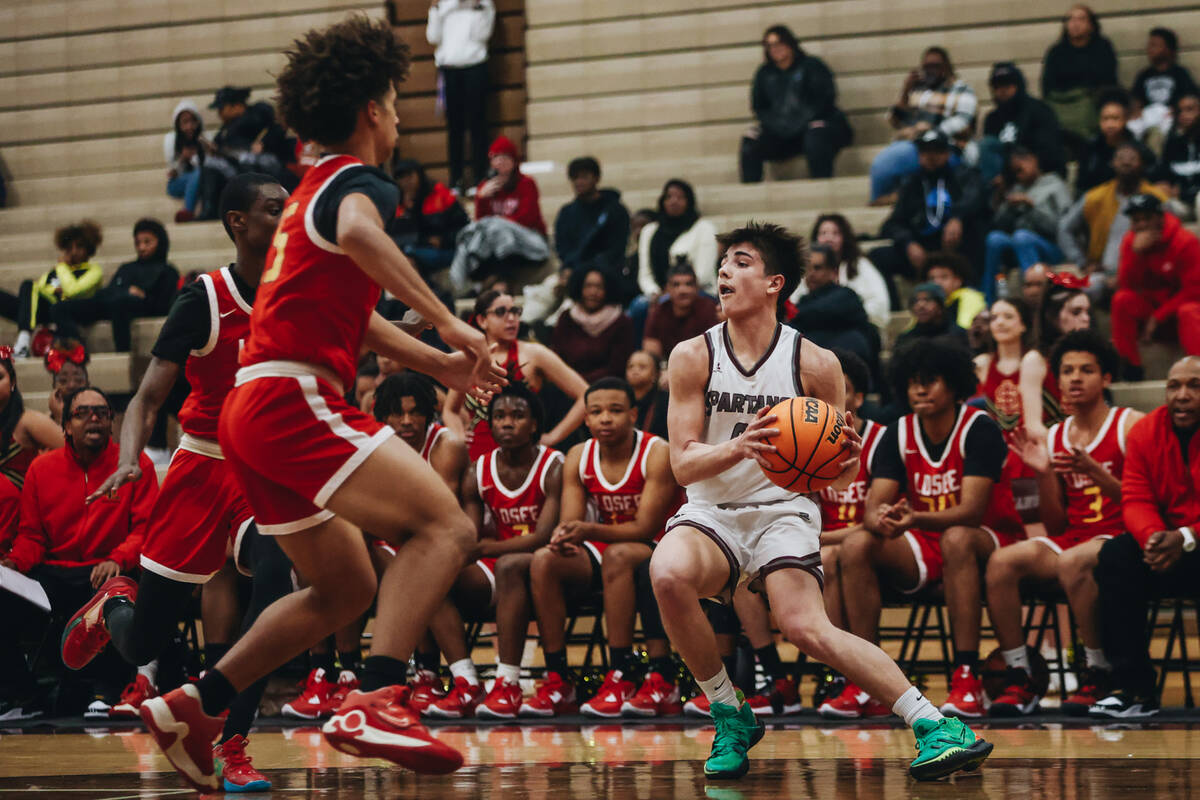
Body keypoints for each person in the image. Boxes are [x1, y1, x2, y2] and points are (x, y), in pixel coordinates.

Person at [127, 17, 503, 791]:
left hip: (250, 411)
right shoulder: (359, 187)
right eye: (396, 104)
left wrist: (437, 363)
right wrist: (448, 320)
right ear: (371, 108)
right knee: (445, 526)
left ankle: (198, 705)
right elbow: (366, 233)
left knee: (345, 588)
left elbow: (349, 315)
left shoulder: (304, 199)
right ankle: (376, 696)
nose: (398, 119)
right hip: (291, 398)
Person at [650, 222, 992, 781]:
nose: (723, 273)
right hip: (711, 510)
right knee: (666, 574)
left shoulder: (816, 364)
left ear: (774, 283)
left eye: (739, 263)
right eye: (723, 264)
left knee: (806, 627)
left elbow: (837, 478)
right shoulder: (692, 355)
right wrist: (741, 445)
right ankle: (729, 711)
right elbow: (683, 463)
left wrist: (845, 455)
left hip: (783, 510)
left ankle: (936, 724)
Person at [56, 175, 295, 791]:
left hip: (259, 472)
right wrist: (131, 459)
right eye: (276, 208)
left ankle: (234, 744)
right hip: (200, 466)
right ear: (239, 222)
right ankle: (115, 608)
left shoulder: (294, 288)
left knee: (277, 572)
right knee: (142, 646)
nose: (288, 215)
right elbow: (145, 397)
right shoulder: (204, 298)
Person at [840, 338, 1024, 720]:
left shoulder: (980, 428)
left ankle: (967, 674)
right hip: (924, 540)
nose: (919, 389)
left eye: (930, 380)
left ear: (955, 384)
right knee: (858, 544)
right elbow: (876, 505)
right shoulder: (899, 432)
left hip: (990, 538)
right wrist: (881, 519)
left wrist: (915, 518)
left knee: (957, 538)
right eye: (912, 382)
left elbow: (972, 511)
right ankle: (867, 680)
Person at [991, 330, 1140, 716]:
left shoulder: (1130, 425)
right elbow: (1056, 524)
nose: (1075, 378)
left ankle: (1097, 670)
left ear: (1106, 378)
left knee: (1073, 561)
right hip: (1076, 536)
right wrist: (1042, 473)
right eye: (1068, 371)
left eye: (1086, 370)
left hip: (1124, 536)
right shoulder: (1056, 435)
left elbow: (1144, 503)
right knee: (1002, 563)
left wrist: (1096, 472)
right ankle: (1020, 674)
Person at [523, 378, 682, 718]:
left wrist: (586, 530)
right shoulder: (578, 455)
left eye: (615, 410)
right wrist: (564, 536)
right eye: (596, 412)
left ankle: (624, 671)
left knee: (620, 555)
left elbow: (643, 528)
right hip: (605, 546)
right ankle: (558, 679)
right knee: (544, 560)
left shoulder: (658, 452)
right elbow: (571, 521)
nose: (605, 418)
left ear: (633, 415)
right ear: (586, 419)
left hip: (660, 546)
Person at [1, 388, 157, 717]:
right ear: (66, 426)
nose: (94, 418)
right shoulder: (41, 469)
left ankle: (106, 690)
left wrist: (118, 557)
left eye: (102, 412)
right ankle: (23, 696)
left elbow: (146, 530)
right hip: (54, 572)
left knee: (118, 591)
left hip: (110, 569)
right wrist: (14, 562)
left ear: (113, 423)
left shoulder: (134, 465)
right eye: (82, 412)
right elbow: (31, 536)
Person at [423, 384, 563, 720]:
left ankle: (508, 682)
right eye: (499, 416)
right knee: (430, 577)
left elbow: (543, 537)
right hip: (500, 566)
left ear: (534, 424)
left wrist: (485, 547)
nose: (507, 423)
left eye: (517, 416)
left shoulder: (555, 464)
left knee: (511, 564)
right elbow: (471, 536)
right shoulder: (478, 470)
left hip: (549, 566)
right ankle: (466, 681)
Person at [1091, 355, 1200, 717]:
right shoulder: (1145, 432)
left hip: (1193, 543)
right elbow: (1135, 498)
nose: (1182, 395)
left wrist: (1185, 537)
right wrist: (1154, 539)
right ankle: (1133, 688)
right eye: (1174, 386)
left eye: (1194, 386)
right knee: (1116, 557)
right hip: (1165, 546)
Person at [814, 349, 890, 720]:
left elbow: (875, 523)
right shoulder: (805, 440)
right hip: (829, 548)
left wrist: (825, 540)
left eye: (840, 391)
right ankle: (840, 675)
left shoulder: (881, 439)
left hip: (875, 550)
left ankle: (863, 678)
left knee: (844, 552)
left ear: (858, 398)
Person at [445, 289, 586, 461]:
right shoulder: (470, 357)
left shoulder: (534, 354)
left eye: (515, 311)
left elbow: (586, 394)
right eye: (500, 312)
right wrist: (459, 436)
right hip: (477, 456)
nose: (511, 318)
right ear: (482, 320)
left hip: (525, 456)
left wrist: (553, 437)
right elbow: (450, 410)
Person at [870, 130, 986, 287]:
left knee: (978, 235)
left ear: (947, 153)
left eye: (936, 150)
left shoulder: (964, 175)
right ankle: (894, 307)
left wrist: (957, 218)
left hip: (955, 248)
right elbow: (893, 223)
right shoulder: (912, 183)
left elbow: (976, 200)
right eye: (925, 151)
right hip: (922, 251)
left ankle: (975, 294)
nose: (930, 156)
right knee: (877, 256)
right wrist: (908, 243)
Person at [740, 25, 850, 181]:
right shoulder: (764, 73)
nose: (775, 49)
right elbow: (759, 107)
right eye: (770, 45)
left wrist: (800, 122)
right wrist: (778, 126)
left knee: (816, 136)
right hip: (781, 133)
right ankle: (749, 192)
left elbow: (825, 100)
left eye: (779, 43)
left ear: (790, 43)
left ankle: (822, 185)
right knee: (750, 141)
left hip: (812, 127)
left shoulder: (812, 66)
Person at [1058, 143, 1167, 300]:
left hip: (1145, 273)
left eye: (1132, 158)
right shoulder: (1095, 197)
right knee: (1075, 293)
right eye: (1121, 158)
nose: (1126, 162)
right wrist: (1081, 262)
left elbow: (1170, 232)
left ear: (1142, 164)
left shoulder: (1157, 198)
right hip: (1104, 272)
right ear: (1112, 163)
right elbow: (1064, 228)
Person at [51, 219, 179, 353]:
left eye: (147, 242)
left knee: (121, 304)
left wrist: (143, 296)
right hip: (110, 305)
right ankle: (77, 350)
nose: (141, 247)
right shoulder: (127, 268)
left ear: (160, 242)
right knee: (60, 308)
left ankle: (123, 353)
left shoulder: (168, 271)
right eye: (138, 243)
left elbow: (164, 305)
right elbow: (105, 293)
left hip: (134, 307)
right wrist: (126, 291)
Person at [1110, 193, 1200, 381]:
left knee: (1189, 311)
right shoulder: (1130, 242)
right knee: (1121, 300)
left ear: (1160, 218)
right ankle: (1131, 368)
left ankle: (1196, 370)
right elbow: (1126, 285)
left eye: (1147, 218)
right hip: (1151, 310)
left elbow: (1194, 290)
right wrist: (1136, 254)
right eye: (1136, 220)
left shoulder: (1184, 241)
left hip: (1177, 314)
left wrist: (1159, 316)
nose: (1141, 224)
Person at [870, 47, 977, 203]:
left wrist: (931, 130)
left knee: (886, 162)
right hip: (912, 144)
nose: (930, 71)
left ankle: (882, 199)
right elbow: (893, 120)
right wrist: (906, 90)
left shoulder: (962, 89)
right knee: (885, 161)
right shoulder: (917, 91)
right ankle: (886, 198)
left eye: (935, 66)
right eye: (927, 67)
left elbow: (963, 122)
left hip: (944, 146)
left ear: (946, 67)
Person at [450, 136, 549, 294]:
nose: (500, 161)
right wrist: (481, 199)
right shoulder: (485, 187)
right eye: (496, 157)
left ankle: (488, 285)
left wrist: (499, 223)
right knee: (469, 240)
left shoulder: (527, 183)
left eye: (505, 157)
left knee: (496, 227)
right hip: (496, 242)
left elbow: (528, 218)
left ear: (514, 161)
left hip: (530, 239)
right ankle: (462, 287)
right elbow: (481, 223)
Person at [0, 220, 103, 358]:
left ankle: (23, 341)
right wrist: (55, 289)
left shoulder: (93, 270)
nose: (73, 252)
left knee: (31, 290)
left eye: (79, 247)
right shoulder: (57, 271)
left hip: (67, 313)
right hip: (43, 311)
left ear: (88, 249)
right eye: (69, 248)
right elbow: (40, 287)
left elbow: (73, 291)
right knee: (27, 286)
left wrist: (61, 267)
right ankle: (23, 339)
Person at [984, 147, 1072, 303]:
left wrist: (1031, 206)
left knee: (1022, 237)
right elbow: (999, 224)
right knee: (994, 239)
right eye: (1015, 170)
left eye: (1022, 166)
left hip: (1051, 247)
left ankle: (1036, 298)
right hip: (1020, 245)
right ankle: (989, 301)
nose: (1018, 173)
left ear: (1034, 160)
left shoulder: (1055, 184)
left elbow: (1062, 227)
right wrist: (1004, 200)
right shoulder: (1017, 188)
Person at [196, 86, 295, 220]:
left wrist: (265, 143)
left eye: (222, 108)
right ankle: (209, 210)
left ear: (235, 105)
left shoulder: (258, 113)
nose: (219, 114)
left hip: (263, 163)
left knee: (246, 160)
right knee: (210, 165)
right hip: (235, 166)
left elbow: (278, 128)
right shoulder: (226, 129)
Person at [426, 0, 495, 192]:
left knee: (477, 125)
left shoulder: (483, 3)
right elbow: (433, 36)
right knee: (454, 127)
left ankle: (479, 177)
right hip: (450, 69)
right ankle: (456, 179)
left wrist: (478, 8)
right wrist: (435, 9)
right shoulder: (444, 4)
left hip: (475, 66)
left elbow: (483, 34)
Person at [1021, 274, 1093, 443]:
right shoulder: (1035, 360)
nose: (1086, 318)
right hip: (1047, 449)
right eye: (1076, 312)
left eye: (1087, 311)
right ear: (1052, 316)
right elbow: (1033, 427)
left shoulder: (1093, 357)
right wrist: (1070, 449)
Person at [790, 214, 890, 328]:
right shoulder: (806, 268)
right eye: (823, 233)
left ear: (844, 238)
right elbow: (793, 305)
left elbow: (879, 303)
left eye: (835, 233)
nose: (829, 238)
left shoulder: (861, 265)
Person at [787, 244, 875, 371]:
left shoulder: (846, 296)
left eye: (817, 268)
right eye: (807, 268)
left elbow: (820, 310)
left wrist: (792, 312)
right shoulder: (803, 302)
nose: (811, 273)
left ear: (833, 271)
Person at [1040, 4, 1118, 146]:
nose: (1075, 24)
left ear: (1091, 25)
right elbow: (1047, 85)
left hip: (1091, 103)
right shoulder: (1056, 52)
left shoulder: (1102, 48)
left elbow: (1109, 81)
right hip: (1061, 103)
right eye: (1070, 19)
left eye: (1081, 19)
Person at [979, 62, 1066, 183]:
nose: (1002, 90)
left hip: (1040, 174)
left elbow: (1050, 149)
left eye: (1007, 85)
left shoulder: (1039, 110)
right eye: (997, 87)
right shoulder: (992, 118)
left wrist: (1027, 164)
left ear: (1018, 86)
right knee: (987, 144)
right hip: (1007, 177)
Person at [553, 156, 631, 281]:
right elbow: (562, 248)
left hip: (606, 273)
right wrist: (569, 268)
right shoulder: (566, 213)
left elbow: (616, 249)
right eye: (575, 178)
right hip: (572, 272)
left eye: (584, 177)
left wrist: (584, 270)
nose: (579, 182)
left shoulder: (615, 210)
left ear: (596, 178)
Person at [551, 268, 634, 383]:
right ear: (579, 287)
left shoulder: (621, 322)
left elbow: (617, 367)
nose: (593, 292)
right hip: (566, 384)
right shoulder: (566, 318)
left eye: (599, 287)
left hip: (605, 387)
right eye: (588, 286)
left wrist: (580, 382)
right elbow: (556, 358)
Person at [637, 179, 718, 297]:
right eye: (668, 197)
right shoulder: (649, 231)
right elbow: (645, 274)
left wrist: (674, 291)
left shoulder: (705, 229)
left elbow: (704, 274)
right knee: (638, 307)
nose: (674, 201)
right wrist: (654, 292)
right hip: (658, 294)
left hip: (698, 292)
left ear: (689, 201)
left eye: (680, 197)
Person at [390, 158, 469, 277]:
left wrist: (443, 240)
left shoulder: (440, 194)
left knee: (408, 256)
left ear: (419, 175)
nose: (406, 182)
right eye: (401, 178)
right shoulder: (398, 202)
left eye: (410, 176)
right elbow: (399, 236)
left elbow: (464, 228)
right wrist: (409, 210)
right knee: (403, 255)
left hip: (447, 250)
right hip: (414, 249)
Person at [0, 349, 65, 489]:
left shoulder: (27, 421)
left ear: (12, 382)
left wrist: (61, 417)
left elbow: (78, 452)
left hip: (23, 508)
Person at [1076, 90, 1151, 195]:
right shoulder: (1090, 147)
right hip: (1095, 200)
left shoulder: (1138, 148)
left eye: (1115, 118)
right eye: (1105, 119)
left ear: (1125, 119)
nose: (1110, 124)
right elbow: (1081, 184)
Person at [1129, 27, 1198, 142]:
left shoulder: (1179, 73)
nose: (1149, 49)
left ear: (1168, 49)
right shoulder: (1144, 75)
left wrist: (1176, 110)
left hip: (1170, 116)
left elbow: (1190, 96)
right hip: (1148, 115)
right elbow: (1135, 98)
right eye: (1149, 45)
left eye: (1155, 45)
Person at [642, 262, 720, 362]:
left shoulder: (710, 309)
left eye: (688, 284)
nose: (683, 290)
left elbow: (716, 352)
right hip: (668, 370)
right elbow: (651, 356)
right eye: (676, 285)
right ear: (667, 289)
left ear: (696, 287)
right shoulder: (658, 312)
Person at [1152, 89, 1200, 221]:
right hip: (1181, 202)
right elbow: (1163, 173)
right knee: (1154, 200)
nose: (1184, 115)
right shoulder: (1172, 142)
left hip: (1197, 199)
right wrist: (1164, 184)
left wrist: (1185, 193)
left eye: (1190, 109)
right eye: (1180, 111)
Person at [894, 282, 970, 352]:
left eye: (927, 300)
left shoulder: (958, 335)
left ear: (940, 307)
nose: (920, 305)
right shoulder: (906, 339)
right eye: (915, 301)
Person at [164, 99, 207, 220]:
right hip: (178, 183)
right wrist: (182, 159)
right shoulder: (171, 141)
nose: (189, 126)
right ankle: (188, 211)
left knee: (198, 174)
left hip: (201, 181)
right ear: (179, 124)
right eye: (185, 122)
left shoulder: (204, 139)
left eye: (193, 121)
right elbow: (172, 172)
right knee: (195, 175)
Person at [925, 251, 986, 332]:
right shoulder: (925, 302)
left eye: (944, 277)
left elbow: (965, 330)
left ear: (958, 280)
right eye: (932, 279)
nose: (937, 283)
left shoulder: (970, 296)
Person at [43, 339, 89, 426]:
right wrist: (60, 417)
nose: (71, 385)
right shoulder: (44, 423)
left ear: (87, 383)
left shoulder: (98, 419)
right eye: (63, 380)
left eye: (78, 380)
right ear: (54, 385)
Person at [626, 350, 668, 440]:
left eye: (642, 367)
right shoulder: (623, 399)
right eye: (630, 366)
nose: (635, 370)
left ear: (656, 374)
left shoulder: (665, 401)